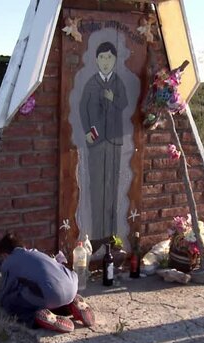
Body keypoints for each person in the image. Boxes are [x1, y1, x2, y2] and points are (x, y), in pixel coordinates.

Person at [79, 41, 129, 241]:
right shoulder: (91, 83)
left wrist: (112, 98)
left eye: (110, 58)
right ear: (96, 60)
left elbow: (124, 103)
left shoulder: (118, 82)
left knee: (112, 186)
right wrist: (87, 132)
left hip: (114, 141)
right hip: (97, 141)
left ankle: (112, 234)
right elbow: (83, 108)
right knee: (96, 186)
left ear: (115, 60)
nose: (106, 62)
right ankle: (97, 236)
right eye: (102, 57)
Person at [0, 232, 95, 333]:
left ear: (5, 255)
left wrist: (0, 301)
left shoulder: (9, 262)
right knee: (48, 290)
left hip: (51, 296)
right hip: (72, 286)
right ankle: (71, 305)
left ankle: (37, 318)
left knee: (11, 302)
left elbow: (6, 290)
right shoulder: (36, 253)